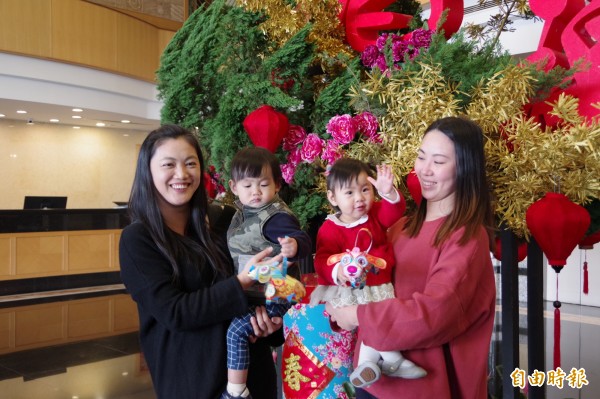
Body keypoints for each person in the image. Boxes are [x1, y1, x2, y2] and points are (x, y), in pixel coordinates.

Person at [325, 116, 497, 399]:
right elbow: (367, 288)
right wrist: (341, 300)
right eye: (421, 157)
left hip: (426, 389)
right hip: (372, 384)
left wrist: (358, 316)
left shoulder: (467, 237)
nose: (425, 170)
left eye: (439, 162)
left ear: (464, 169)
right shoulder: (399, 228)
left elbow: (436, 312)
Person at [119, 125, 284, 399]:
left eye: (190, 164)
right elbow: (175, 312)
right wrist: (240, 284)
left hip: (254, 378)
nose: (181, 174)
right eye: (168, 165)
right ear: (148, 171)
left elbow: (266, 284)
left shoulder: (227, 219)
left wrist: (270, 323)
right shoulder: (138, 239)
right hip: (191, 380)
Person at [310, 158, 426, 389]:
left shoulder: (373, 214)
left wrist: (388, 193)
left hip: (379, 283)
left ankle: (367, 364)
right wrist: (337, 270)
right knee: (371, 323)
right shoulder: (330, 228)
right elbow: (322, 260)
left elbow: (394, 212)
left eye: (365, 190)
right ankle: (394, 360)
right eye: (350, 193)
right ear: (333, 198)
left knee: (375, 323)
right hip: (351, 289)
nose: (359, 198)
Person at [225, 146, 312, 399]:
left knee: (236, 331)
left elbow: (301, 238)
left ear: (277, 185)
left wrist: (294, 246)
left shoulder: (276, 217)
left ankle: (236, 392)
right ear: (234, 187)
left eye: (263, 184)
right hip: (253, 295)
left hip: (275, 298)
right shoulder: (242, 213)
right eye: (248, 185)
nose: (256, 192)